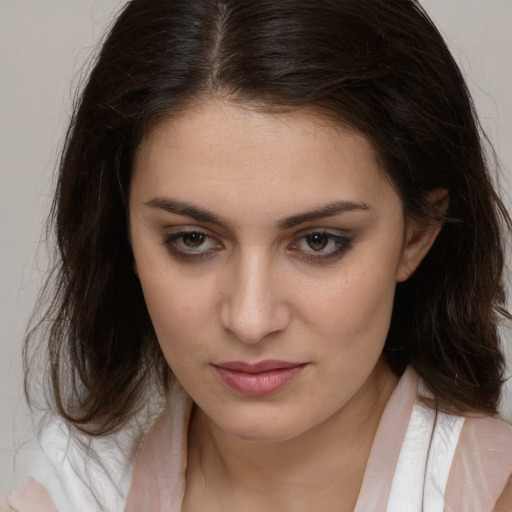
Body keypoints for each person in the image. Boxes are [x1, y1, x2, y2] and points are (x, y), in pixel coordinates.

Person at [3, 0, 512, 510]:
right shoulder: (71, 488)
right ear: (123, 233)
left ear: (416, 235)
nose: (250, 320)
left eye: (319, 241)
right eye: (192, 239)